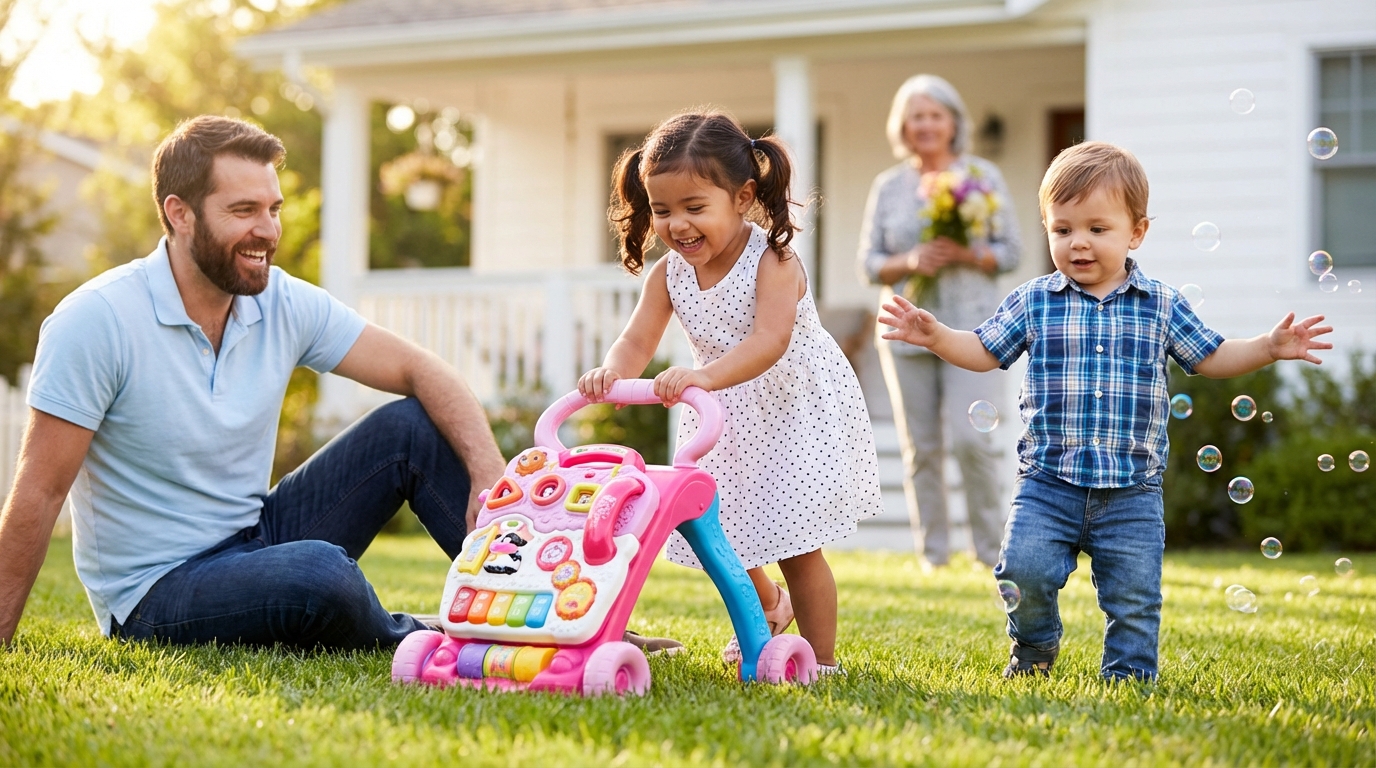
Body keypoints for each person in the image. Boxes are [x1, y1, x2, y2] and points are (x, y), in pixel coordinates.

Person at [0, 116, 678, 656]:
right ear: (179, 214)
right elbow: (40, 488)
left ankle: (565, 617)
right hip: (156, 594)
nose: (267, 231)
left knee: (416, 424)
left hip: (255, 535)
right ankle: (437, 637)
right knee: (321, 573)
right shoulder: (97, 321)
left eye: (273, 208)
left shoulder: (280, 301)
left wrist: (487, 476)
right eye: (243, 210)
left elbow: (424, 371)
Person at [878, 141, 1332, 680]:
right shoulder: (1033, 300)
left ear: (1136, 232)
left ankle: (1129, 677)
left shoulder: (1160, 304)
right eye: (1062, 229)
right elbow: (982, 350)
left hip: (1132, 490)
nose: (1079, 243)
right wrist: (938, 336)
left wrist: (1267, 346)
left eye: (1098, 229)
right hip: (1049, 482)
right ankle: (1035, 645)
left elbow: (1210, 356)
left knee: (1135, 600)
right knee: (1021, 572)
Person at [579, 111, 883, 674]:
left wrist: (703, 376)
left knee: (796, 543)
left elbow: (770, 341)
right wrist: (610, 374)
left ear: (742, 197)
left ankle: (822, 659)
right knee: (711, 527)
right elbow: (636, 340)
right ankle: (766, 606)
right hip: (723, 412)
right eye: (663, 211)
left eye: (696, 208)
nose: (679, 225)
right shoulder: (668, 274)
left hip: (793, 407)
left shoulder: (773, 259)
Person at [858, 74, 1023, 570]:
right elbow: (869, 263)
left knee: (974, 440)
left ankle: (992, 552)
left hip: (974, 332)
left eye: (935, 115)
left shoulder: (983, 176)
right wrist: (911, 261)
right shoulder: (888, 187)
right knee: (921, 448)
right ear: (903, 127)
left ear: (953, 122)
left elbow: (1011, 251)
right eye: (916, 117)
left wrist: (967, 253)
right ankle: (934, 554)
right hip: (905, 330)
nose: (926, 125)